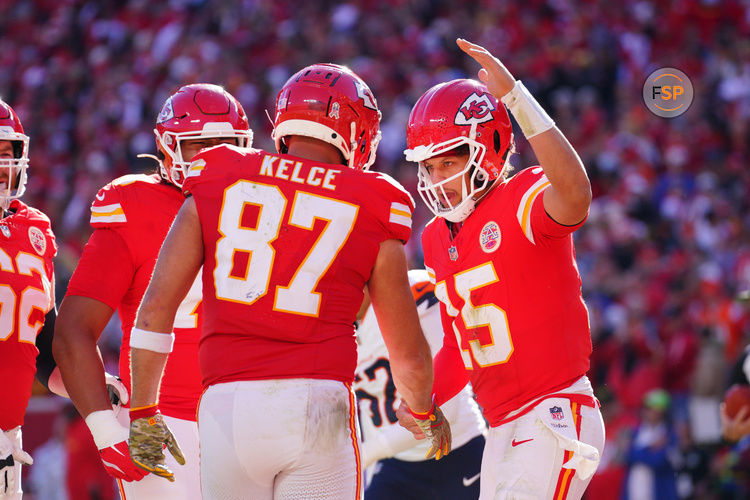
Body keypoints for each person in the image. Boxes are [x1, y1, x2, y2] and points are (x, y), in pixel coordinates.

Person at [125, 63, 450, 500]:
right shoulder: (375, 198)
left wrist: (144, 408)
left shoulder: (219, 172)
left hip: (226, 408)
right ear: (357, 133)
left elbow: (155, 309)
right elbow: (408, 355)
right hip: (317, 405)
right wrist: (422, 410)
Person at [399, 38, 605, 499]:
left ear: (487, 149)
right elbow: (460, 336)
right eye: (428, 167)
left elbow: (574, 196)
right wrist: (428, 401)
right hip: (503, 425)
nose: (436, 180)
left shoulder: (522, 198)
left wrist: (516, 98)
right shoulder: (434, 237)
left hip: (552, 410)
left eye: (447, 162)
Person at [52, 83, 253, 499]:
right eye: (201, 145)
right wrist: (107, 432)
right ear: (167, 148)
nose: (215, 157)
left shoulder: (264, 200)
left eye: (227, 145)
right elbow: (73, 331)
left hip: (254, 418)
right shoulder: (135, 204)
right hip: (163, 423)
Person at [355, 268, 486, 499]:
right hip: (396, 464)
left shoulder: (412, 293)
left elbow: (445, 409)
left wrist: (364, 455)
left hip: (457, 451)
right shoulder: (331, 325)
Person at [0, 99, 60, 500]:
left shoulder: (34, 228)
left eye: (4, 153)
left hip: (8, 439)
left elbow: (46, 346)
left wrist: (92, 384)